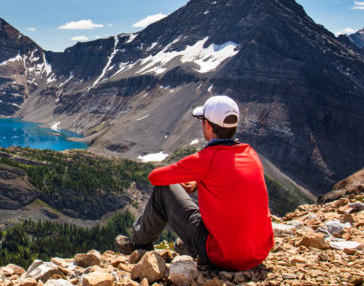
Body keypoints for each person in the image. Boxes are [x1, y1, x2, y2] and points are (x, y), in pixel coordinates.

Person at [115, 95, 274, 271]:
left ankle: (139, 243)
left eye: (202, 120)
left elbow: (156, 177)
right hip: (258, 253)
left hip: (223, 256)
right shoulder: (250, 154)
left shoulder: (206, 159)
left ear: (207, 125)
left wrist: (187, 176)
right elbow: (229, 177)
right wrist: (198, 182)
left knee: (164, 189)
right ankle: (191, 246)